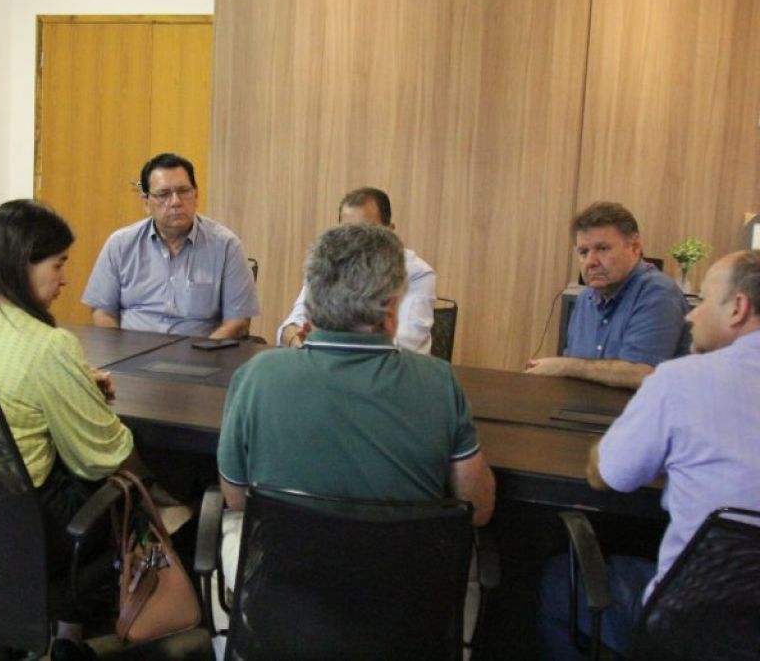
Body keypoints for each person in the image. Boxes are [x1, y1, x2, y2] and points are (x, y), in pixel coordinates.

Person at [0, 200, 145, 659]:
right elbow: (101, 456)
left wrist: (71, 383)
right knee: (132, 487)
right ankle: (70, 638)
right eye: (58, 265)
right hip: (23, 531)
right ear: (22, 263)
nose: (65, 279)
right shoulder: (47, 346)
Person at [218, 223, 495, 585]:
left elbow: (236, 498)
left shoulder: (256, 375)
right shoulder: (439, 382)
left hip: (280, 610)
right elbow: (478, 509)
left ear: (311, 305)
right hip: (401, 612)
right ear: (391, 309)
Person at [538, 250, 760, 658]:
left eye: (705, 301)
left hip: (683, 627)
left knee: (559, 581)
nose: (691, 317)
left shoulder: (681, 381)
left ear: (738, 308)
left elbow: (604, 475)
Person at [82, 152, 260, 339]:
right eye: (164, 194)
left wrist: (205, 352)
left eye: (183, 191)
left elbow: (238, 320)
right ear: (146, 202)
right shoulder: (120, 244)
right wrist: (117, 354)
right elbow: (103, 312)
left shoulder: (226, 246)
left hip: (200, 357)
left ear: (196, 195)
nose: (175, 202)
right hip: (130, 359)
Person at [526, 201, 689, 389]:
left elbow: (643, 374)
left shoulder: (658, 293)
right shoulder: (584, 299)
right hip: (583, 413)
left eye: (602, 249)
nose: (590, 262)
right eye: (583, 252)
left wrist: (563, 366)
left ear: (635, 247)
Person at [276, 187, 437, 353]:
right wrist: (298, 341)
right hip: (330, 365)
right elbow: (289, 327)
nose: (355, 243)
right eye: (347, 233)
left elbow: (406, 346)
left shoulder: (417, 273)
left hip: (393, 372)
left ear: (390, 232)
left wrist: (324, 343)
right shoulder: (329, 264)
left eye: (366, 232)